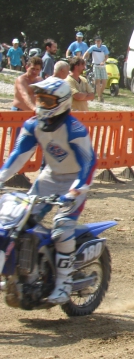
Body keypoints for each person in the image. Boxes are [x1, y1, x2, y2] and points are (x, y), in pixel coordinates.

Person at [0, 77, 96, 304]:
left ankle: (63, 283)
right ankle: (23, 271)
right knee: (19, 221)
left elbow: (89, 162)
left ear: (62, 102)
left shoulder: (74, 129)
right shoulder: (33, 124)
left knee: (62, 228)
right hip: (49, 177)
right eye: (40, 99)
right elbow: (18, 155)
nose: (42, 104)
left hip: (74, 180)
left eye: (48, 101)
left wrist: (76, 190)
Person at [83, 36, 109, 103]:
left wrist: (103, 61)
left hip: (102, 66)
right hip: (96, 65)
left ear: (101, 41)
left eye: (99, 41)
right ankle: (99, 97)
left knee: (104, 82)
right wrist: (83, 59)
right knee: (97, 81)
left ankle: (100, 94)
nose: (98, 42)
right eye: (97, 41)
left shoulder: (104, 47)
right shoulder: (93, 47)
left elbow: (106, 56)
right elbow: (87, 53)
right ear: (95, 42)